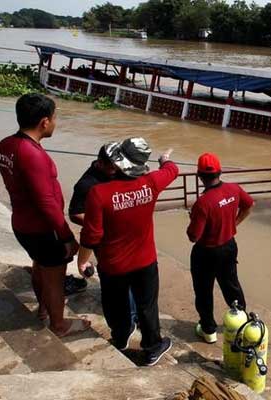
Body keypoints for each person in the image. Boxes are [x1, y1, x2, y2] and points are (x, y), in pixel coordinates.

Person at [0, 93, 90, 337]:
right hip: (43, 228)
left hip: (23, 223)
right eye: (55, 118)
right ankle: (59, 324)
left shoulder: (4, 146)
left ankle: (44, 310)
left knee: (40, 267)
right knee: (54, 278)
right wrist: (67, 235)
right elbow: (45, 201)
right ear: (44, 122)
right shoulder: (32, 155)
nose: (56, 123)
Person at [77, 138, 178, 366]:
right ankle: (152, 347)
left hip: (112, 265)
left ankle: (120, 337)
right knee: (147, 305)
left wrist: (82, 261)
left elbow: (91, 236)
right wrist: (165, 160)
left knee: (115, 304)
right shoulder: (151, 183)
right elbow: (172, 170)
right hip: (145, 261)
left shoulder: (98, 194)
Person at [187, 153, 254, 344]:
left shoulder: (202, 203)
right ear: (220, 171)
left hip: (205, 253)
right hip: (229, 247)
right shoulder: (233, 189)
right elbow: (249, 205)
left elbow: (193, 236)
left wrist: (192, 218)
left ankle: (208, 330)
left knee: (203, 290)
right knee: (231, 284)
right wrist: (234, 224)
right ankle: (241, 323)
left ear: (199, 176)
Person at [69, 142, 138, 325]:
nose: (116, 171)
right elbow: (75, 214)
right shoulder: (86, 185)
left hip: (126, 235)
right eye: (112, 168)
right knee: (119, 277)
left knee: (132, 275)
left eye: (118, 167)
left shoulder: (117, 171)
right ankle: (128, 317)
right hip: (105, 238)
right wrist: (101, 223)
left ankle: (130, 310)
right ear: (100, 163)